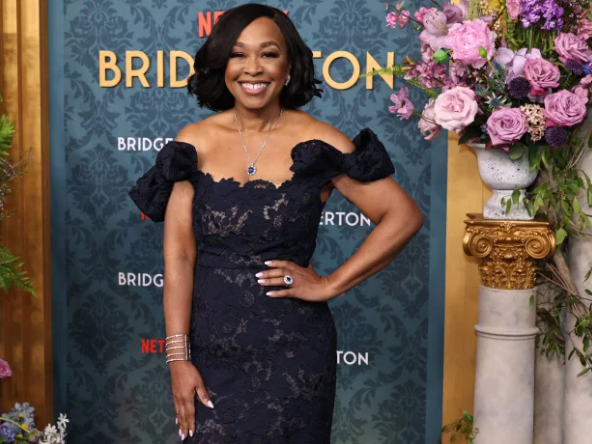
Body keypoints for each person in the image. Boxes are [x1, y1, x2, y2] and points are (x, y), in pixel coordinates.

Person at [128, 3, 423, 443]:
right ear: (222, 64)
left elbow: (403, 216)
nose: (253, 68)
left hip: (295, 357)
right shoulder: (193, 142)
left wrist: (330, 283)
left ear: (289, 66)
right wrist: (177, 357)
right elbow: (180, 256)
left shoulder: (318, 142)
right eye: (238, 54)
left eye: (268, 54)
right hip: (210, 356)